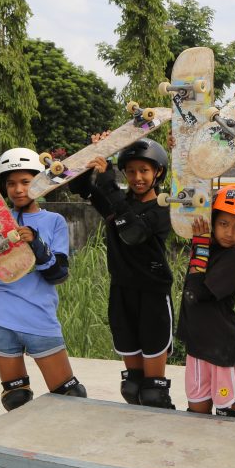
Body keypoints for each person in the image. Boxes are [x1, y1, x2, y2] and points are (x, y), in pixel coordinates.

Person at [0, 148, 85, 411]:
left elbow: (58, 274)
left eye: (26, 181)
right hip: (0, 316)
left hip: (38, 316)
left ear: (39, 181)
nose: (18, 189)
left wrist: (36, 244)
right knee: (15, 398)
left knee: (71, 396)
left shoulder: (54, 221)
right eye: (11, 183)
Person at [69, 137, 176, 408]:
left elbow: (134, 233)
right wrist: (95, 152)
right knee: (132, 387)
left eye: (144, 170)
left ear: (158, 172)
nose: (137, 177)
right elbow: (81, 187)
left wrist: (108, 183)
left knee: (153, 393)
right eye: (130, 171)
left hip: (152, 296)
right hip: (122, 294)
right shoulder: (118, 204)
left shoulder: (164, 207)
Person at [176, 186, 235, 417]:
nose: (230, 233)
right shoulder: (206, 246)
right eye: (223, 224)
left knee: (226, 419)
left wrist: (200, 248)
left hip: (225, 353)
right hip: (198, 348)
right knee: (196, 415)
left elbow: (197, 293)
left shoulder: (233, 257)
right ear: (212, 221)